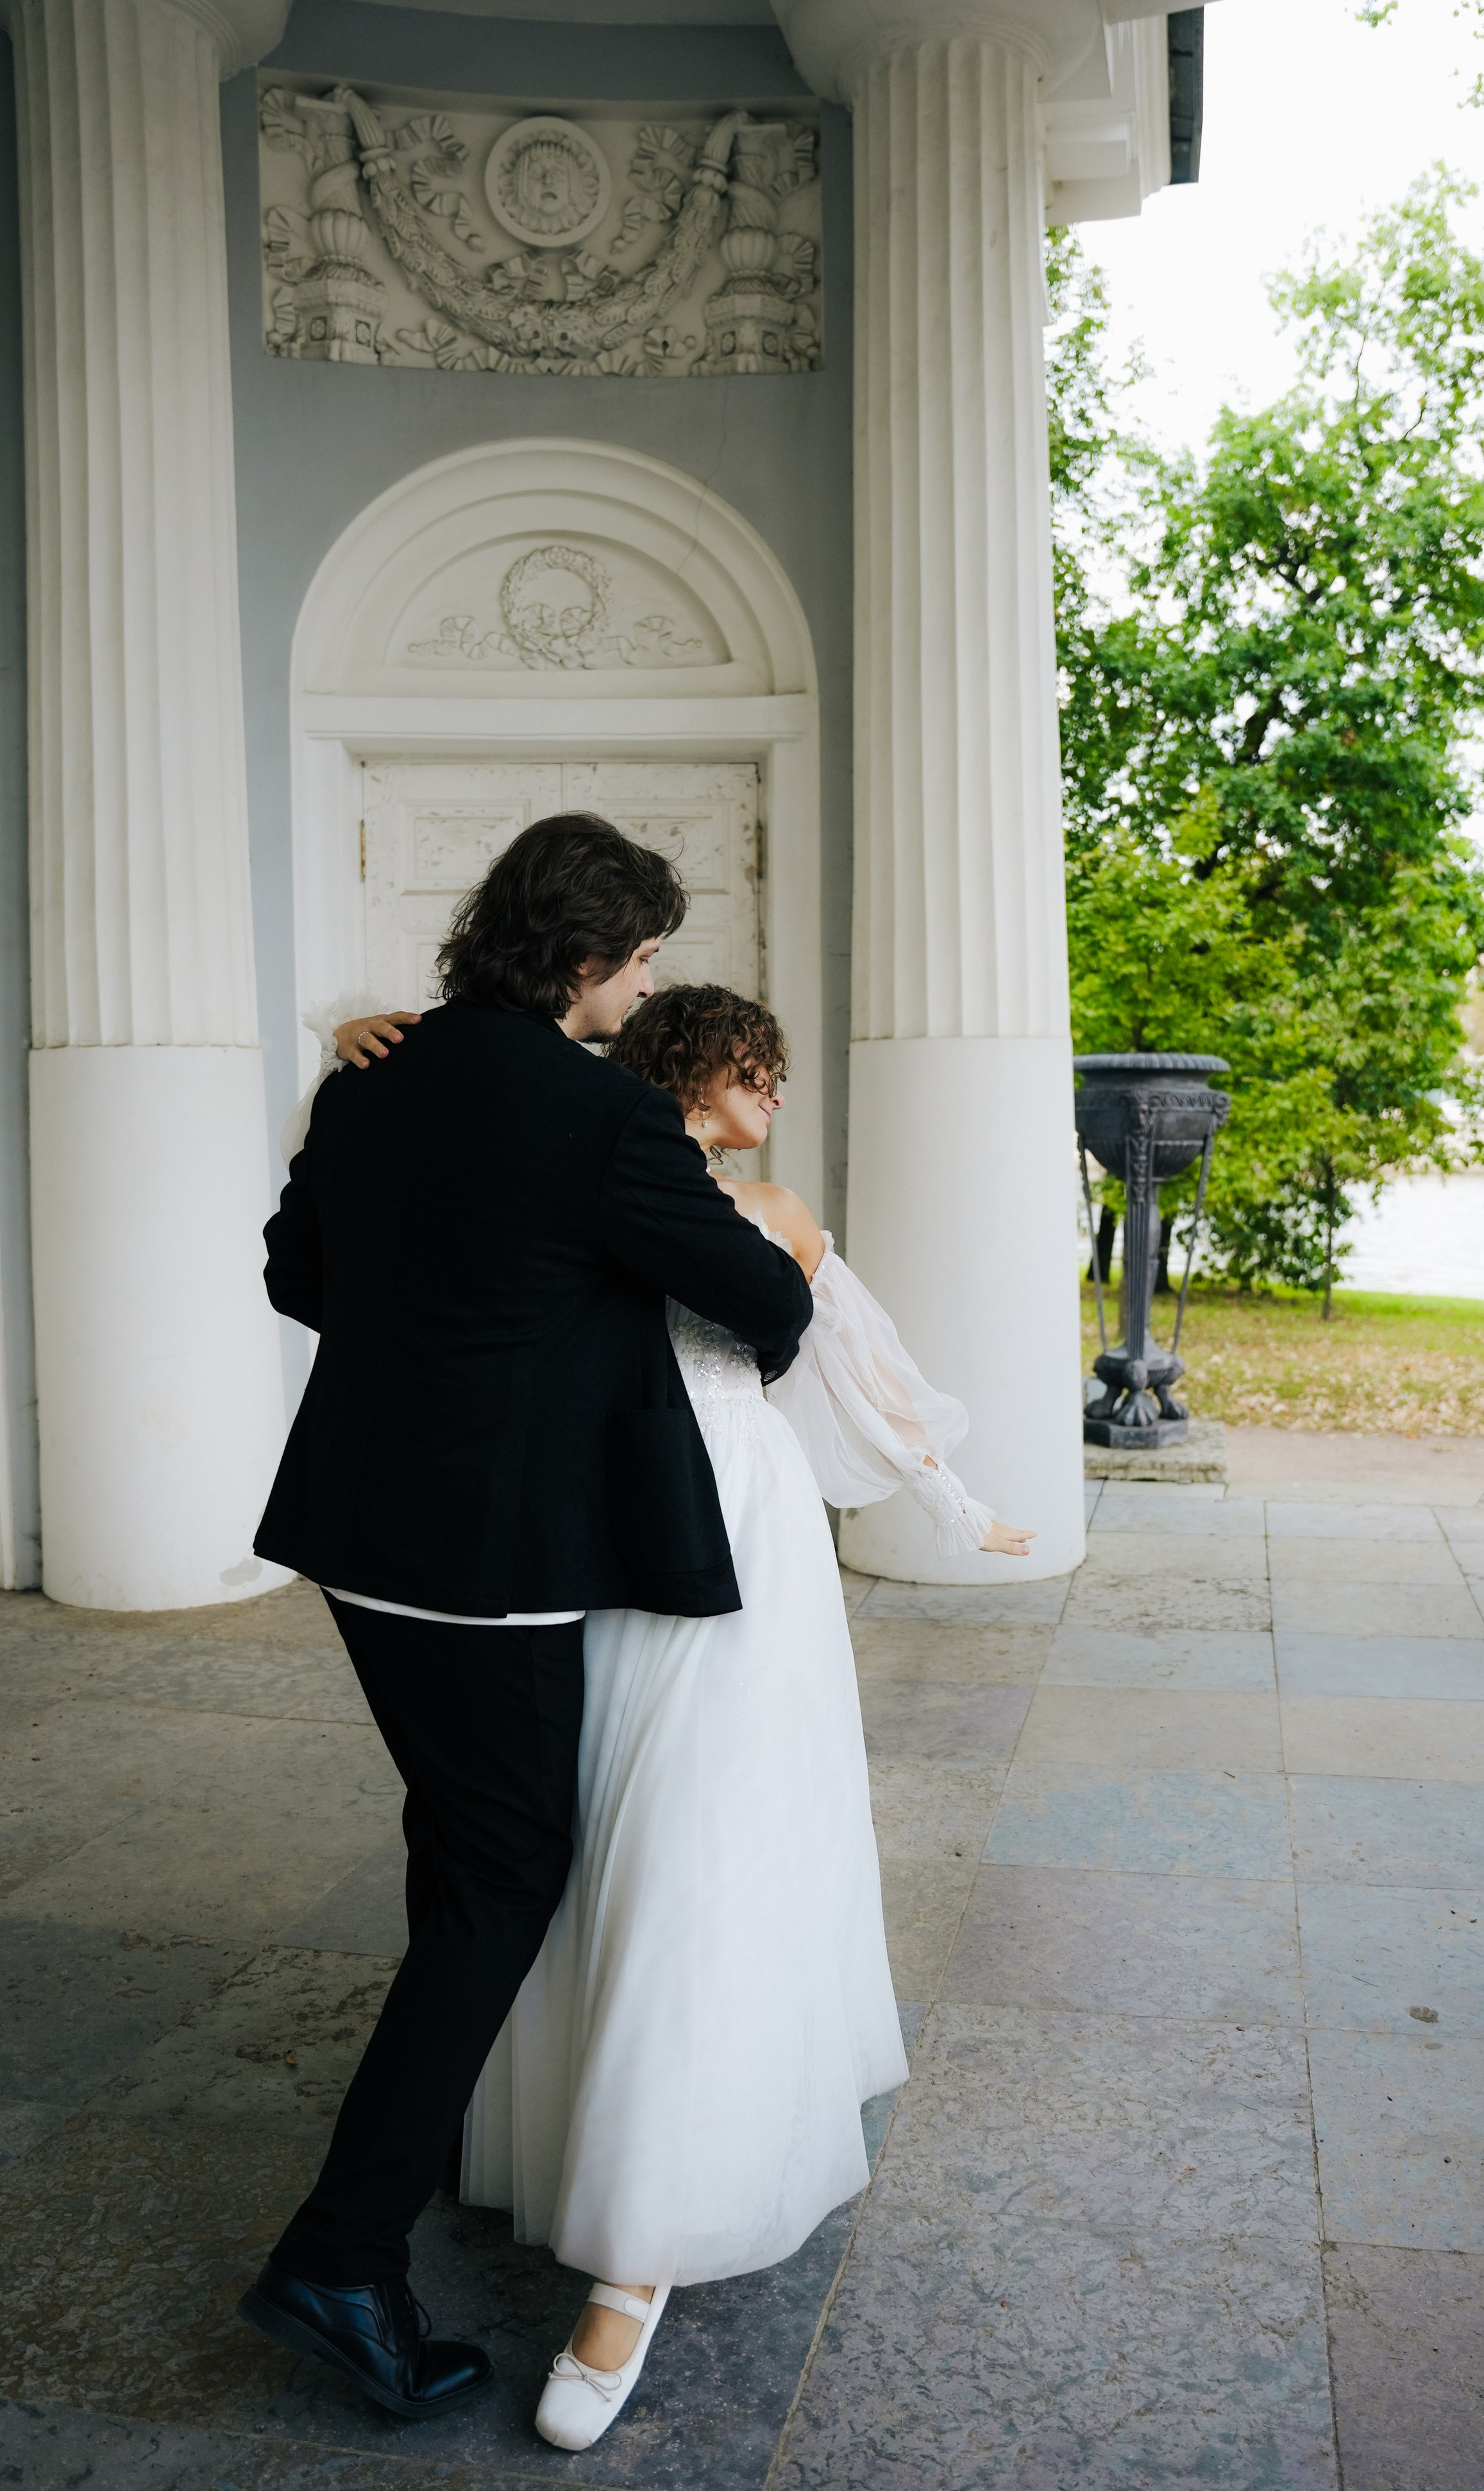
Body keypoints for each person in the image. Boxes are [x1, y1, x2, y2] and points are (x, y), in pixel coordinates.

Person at [321, 977, 1033, 2452]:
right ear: (696, 1072)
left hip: (738, 1535)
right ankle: (538, 2134)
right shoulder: (573, 1158)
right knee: (577, 1841)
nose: (773, 1094)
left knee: (711, 1841)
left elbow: (857, 1365)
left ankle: (640, 2244)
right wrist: (358, 1036)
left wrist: (957, 1502)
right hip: (591, 1531)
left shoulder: (771, 1208)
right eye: (754, 1069)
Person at [236, 815, 813, 2426]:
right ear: (580, 957)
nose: (644, 990)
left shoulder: (373, 1077)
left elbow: (300, 1275)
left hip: (355, 1534)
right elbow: (766, 1299)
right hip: (489, 1559)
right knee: (504, 1880)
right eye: (636, 961)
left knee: (458, 1850)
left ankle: (429, 2156)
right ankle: (341, 2256)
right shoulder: (599, 1115)